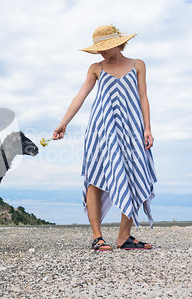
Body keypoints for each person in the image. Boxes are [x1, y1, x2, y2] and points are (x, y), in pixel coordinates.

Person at [53, 24, 157, 251]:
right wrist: (64, 123)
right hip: (101, 130)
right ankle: (97, 236)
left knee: (133, 173)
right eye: (98, 48)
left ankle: (124, 236)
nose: (101, 51)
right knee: (95, 178)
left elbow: (143, 97)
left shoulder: (138, 65)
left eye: (105, 47)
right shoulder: (95, 68)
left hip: (132, 129)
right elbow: (81, 95)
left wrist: (147, 128)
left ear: (117, 44)